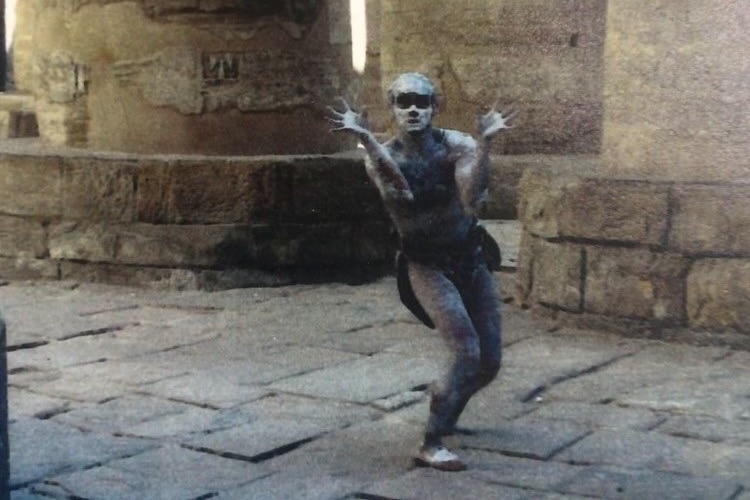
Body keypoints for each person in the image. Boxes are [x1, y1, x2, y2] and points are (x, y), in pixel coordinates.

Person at [328, 73, 515, 471]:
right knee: (466, 352)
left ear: (434, 107)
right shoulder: (379, 153)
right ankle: (430, 441)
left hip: (471, 256)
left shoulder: (458, 145)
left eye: (422, 101)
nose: (413, 108)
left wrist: (486, 145)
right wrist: (366, 138)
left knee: (490, 362)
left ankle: (446, 406)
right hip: (426, 264)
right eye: (404, 101)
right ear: (392, 107)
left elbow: (471, 197)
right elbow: (402, 193)